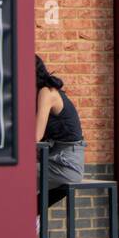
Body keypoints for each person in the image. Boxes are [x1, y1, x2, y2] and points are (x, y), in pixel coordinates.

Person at [35, 56, 86, 219]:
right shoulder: (40, 92)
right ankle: (31, 215)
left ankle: (30, 219)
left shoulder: (46, 93)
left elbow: (36, 135)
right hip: (55, 158)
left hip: (66, 164)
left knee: (16, 173)